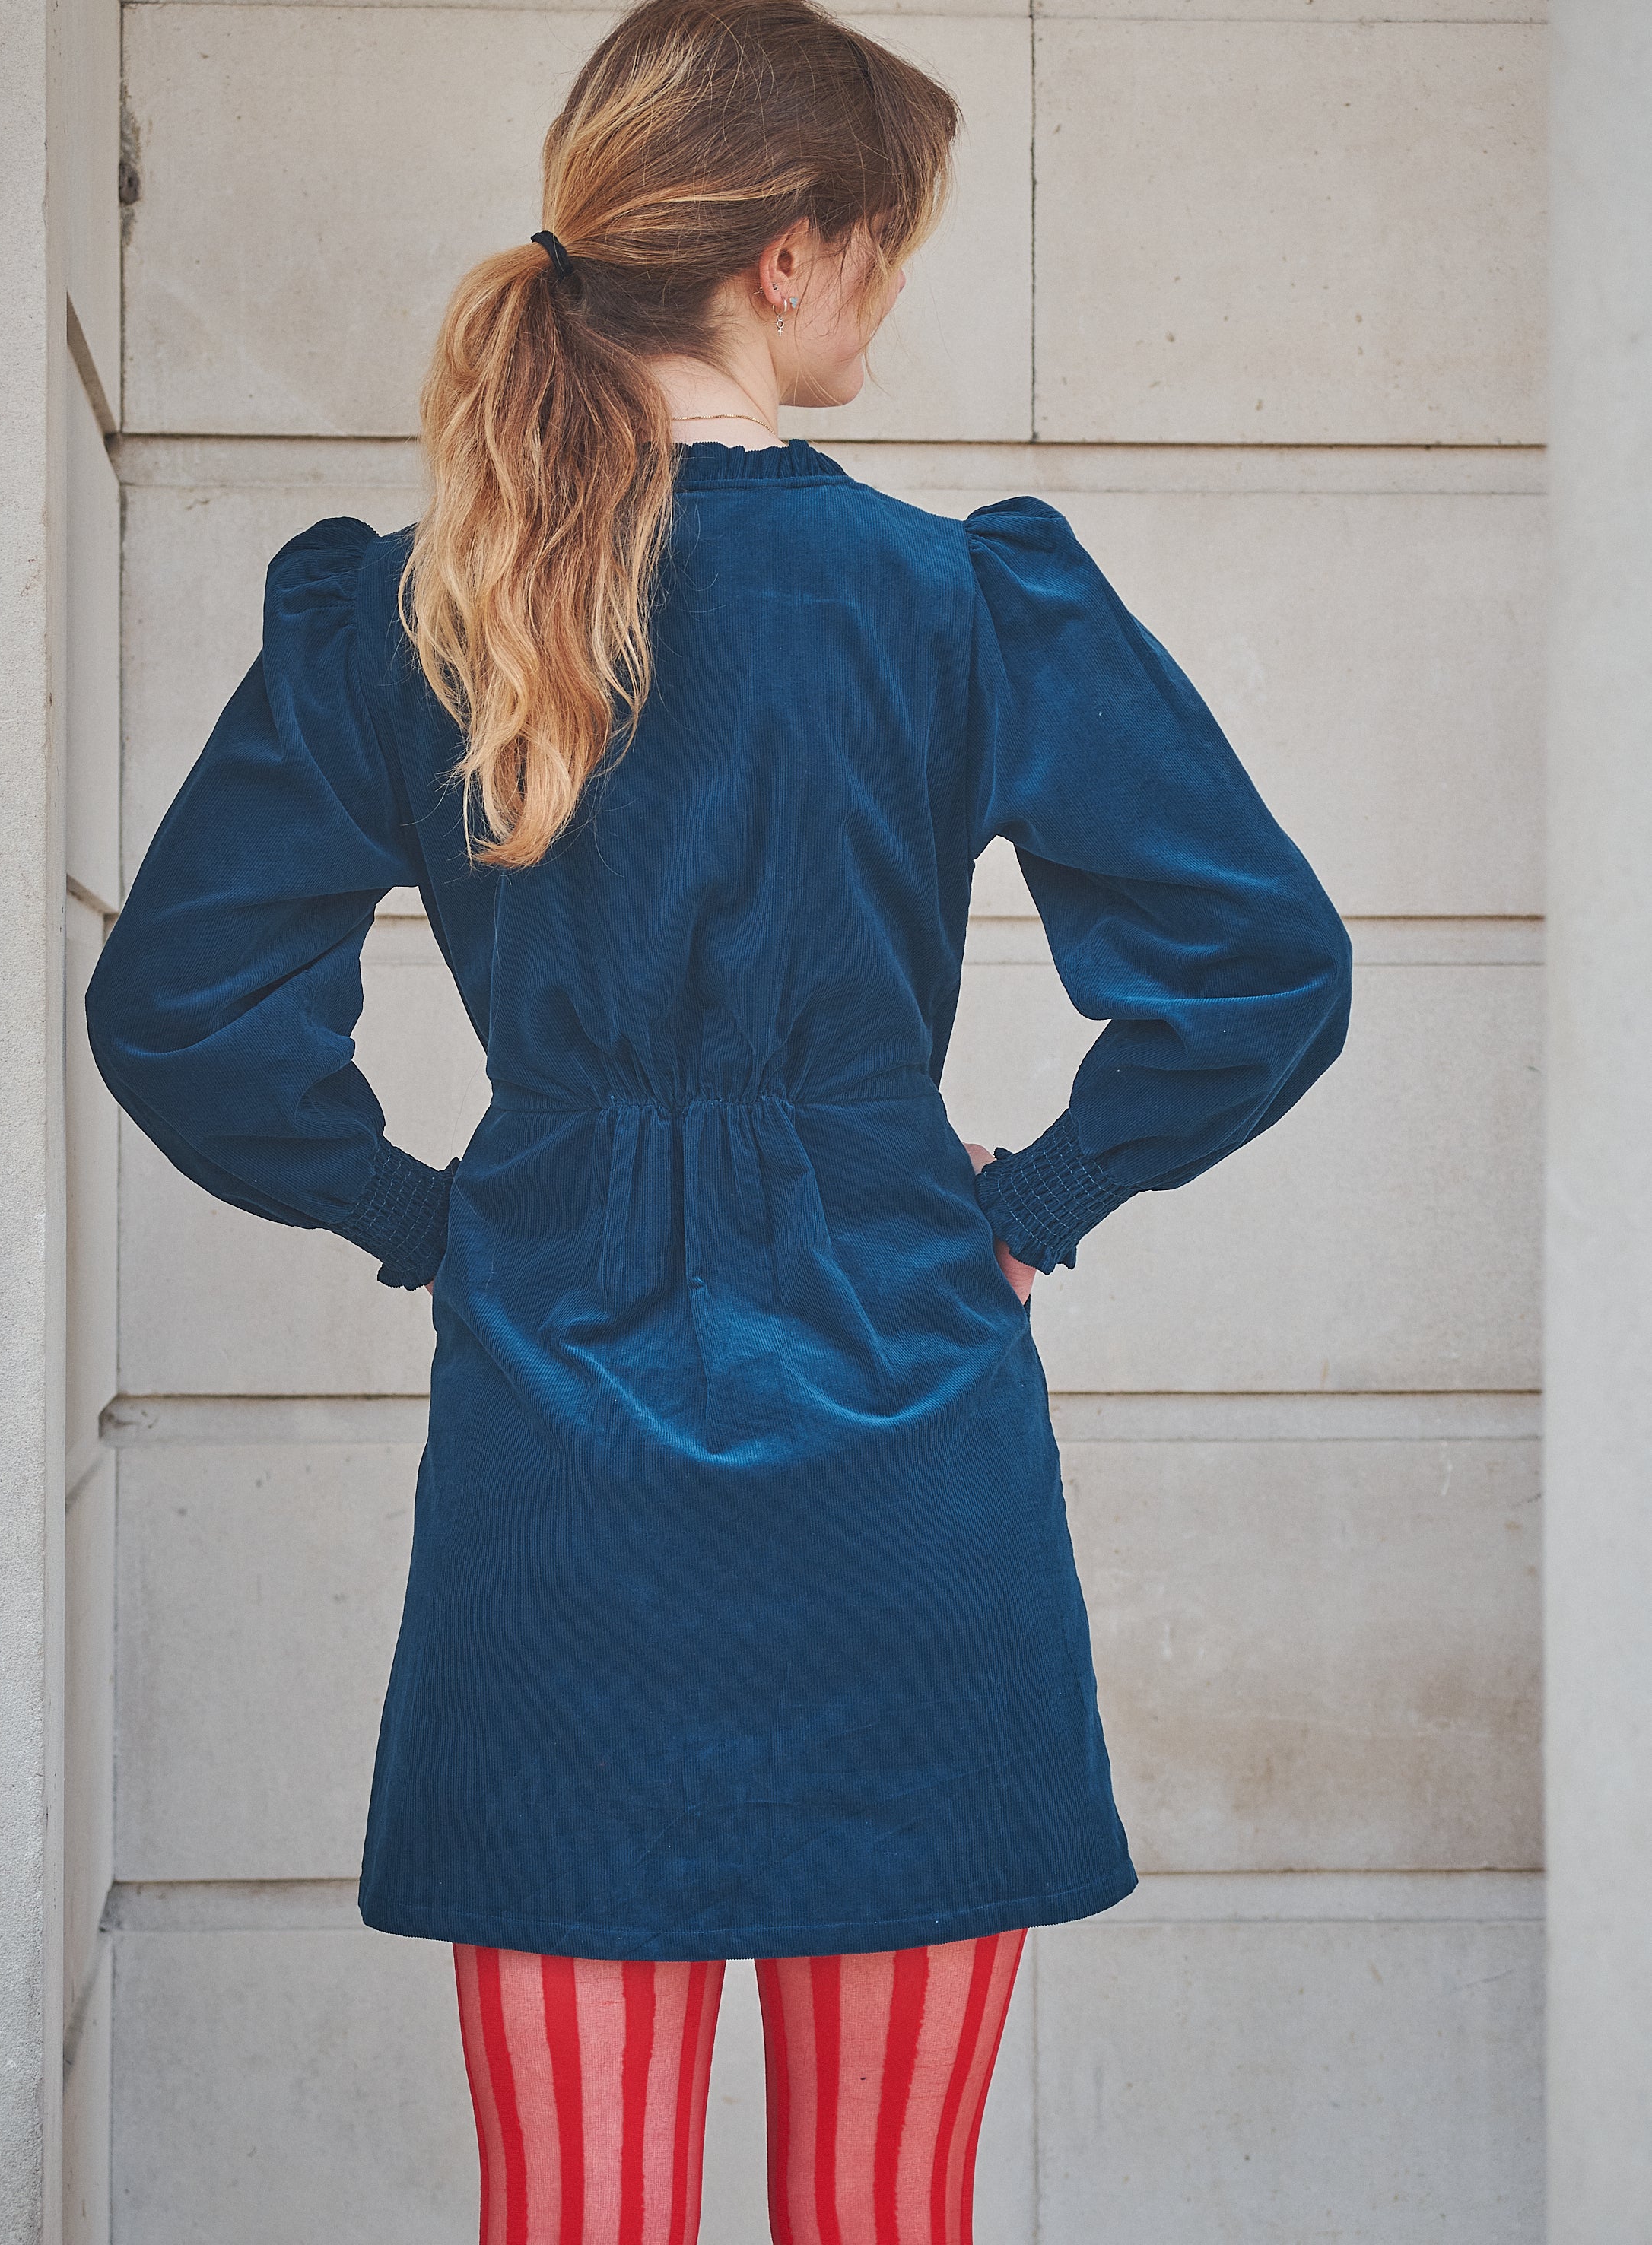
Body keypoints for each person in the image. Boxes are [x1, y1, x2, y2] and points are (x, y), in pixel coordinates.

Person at [85, 0, 1354, 2237]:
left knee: (574, 2210)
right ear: (789, 254)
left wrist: (426, 1217)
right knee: (886, 2210)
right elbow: (1262, 962)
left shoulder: (417, 610)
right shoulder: (960, 597)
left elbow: (178, 1006)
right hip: (907, 1422)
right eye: (885, 247)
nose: (885, 293)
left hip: (554, 1449)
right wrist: (1046, 1195)